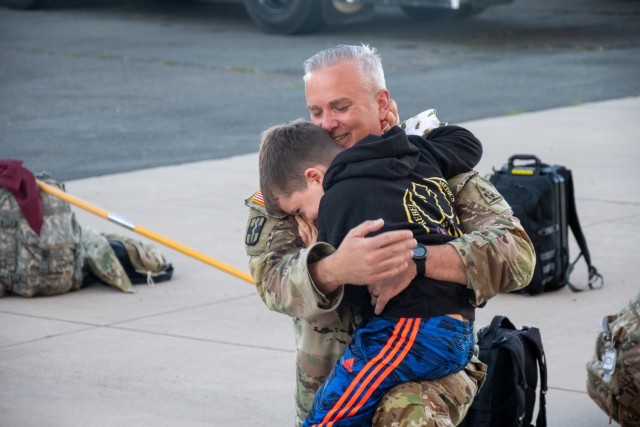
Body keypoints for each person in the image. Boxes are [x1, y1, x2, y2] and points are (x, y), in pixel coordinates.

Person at [244, 44, 535, 426]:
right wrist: (334, 267)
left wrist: (416, 260)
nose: (327, 123)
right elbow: (272, 281)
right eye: (317, 111)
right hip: (332, 376)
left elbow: (517, 256)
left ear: (381, 104)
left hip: (429, 370)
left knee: (405, 414)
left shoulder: (424, 162)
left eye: (341, 107)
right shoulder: (293, 181)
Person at [258, 118, 481, 426]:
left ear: (314, 177)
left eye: (298, 210)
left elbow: (354, 295)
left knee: (328, 416)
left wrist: (318, 247)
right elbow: (466, 143)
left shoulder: (337, 201)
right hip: (456, 330)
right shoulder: (409, 155)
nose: (302, 219)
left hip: (411, 329)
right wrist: (402, 137)